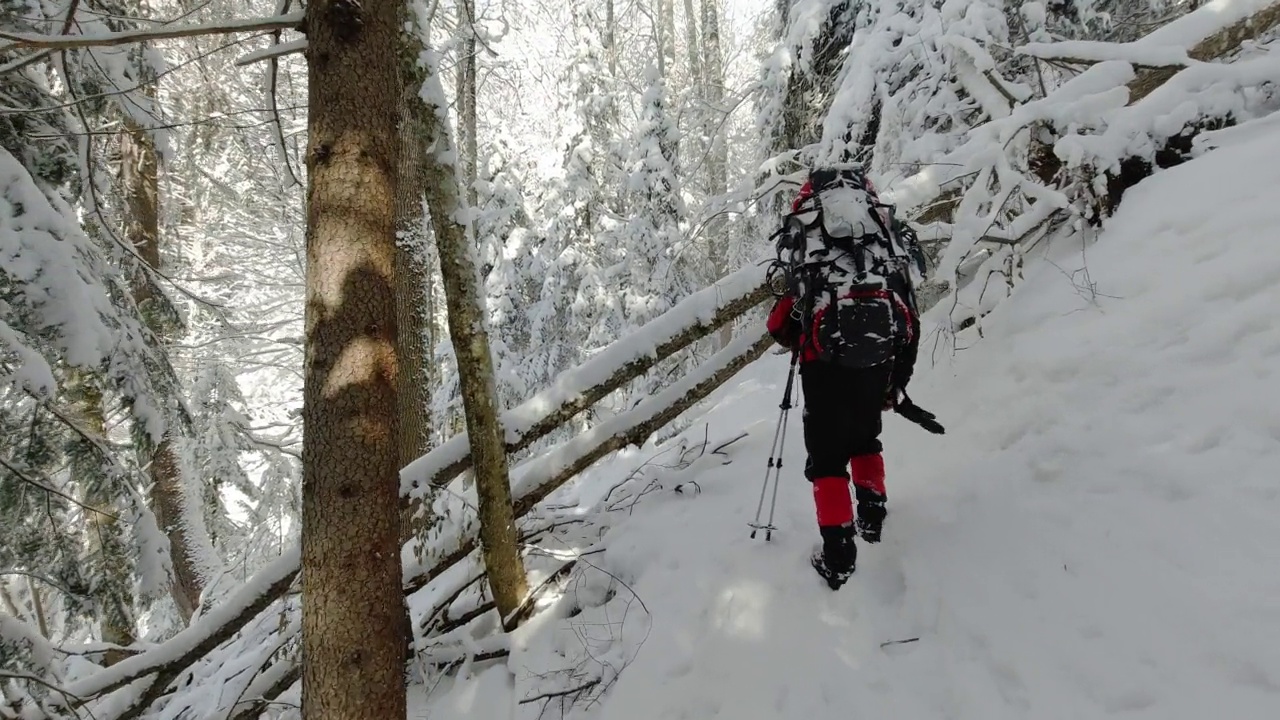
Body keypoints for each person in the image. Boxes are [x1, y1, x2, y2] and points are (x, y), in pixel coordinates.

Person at [764, 167, 922, 589]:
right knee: (866, 437)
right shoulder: (878, 242)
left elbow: (780, 325)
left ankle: (839, 556)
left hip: (823, 366)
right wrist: (899, 374)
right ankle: (872, 515)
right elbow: (908, 306)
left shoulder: (813, 247)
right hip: (877, 360)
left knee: (827, 459)